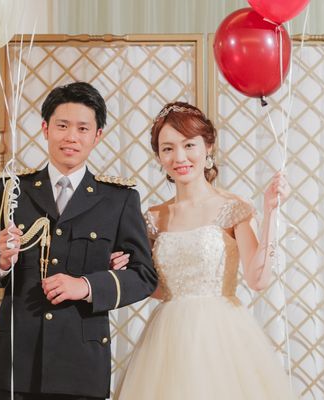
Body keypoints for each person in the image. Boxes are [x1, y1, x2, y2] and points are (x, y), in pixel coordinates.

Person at [0, 82, 158, 400]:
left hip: (80, 365)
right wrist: (2, 260)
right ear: (45, 129)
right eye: (62, 126)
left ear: (97, 135)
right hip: (17, 362)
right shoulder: (11, 189)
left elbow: (143, 276)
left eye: (83, 128)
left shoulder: (118, 198)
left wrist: (86, 286)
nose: (71, 137)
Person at [112, 101, 297, 399]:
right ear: (159, 155)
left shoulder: (233, 208)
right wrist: (124, 271)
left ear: (207, 146)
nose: (179, 157)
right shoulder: (153, 218)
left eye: (189, 145)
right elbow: (156, 288)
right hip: (168, 340)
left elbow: (258, 279)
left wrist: (271, 212)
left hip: (223, 336)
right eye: (168, 148)